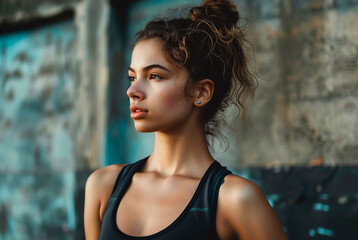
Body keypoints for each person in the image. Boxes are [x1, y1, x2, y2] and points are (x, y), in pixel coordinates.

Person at [84, 0, 288, 239]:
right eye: (132, 77)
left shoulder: (235, 199)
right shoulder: (103, 186)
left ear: (201, 92)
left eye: (154, 76)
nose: (133, 91)